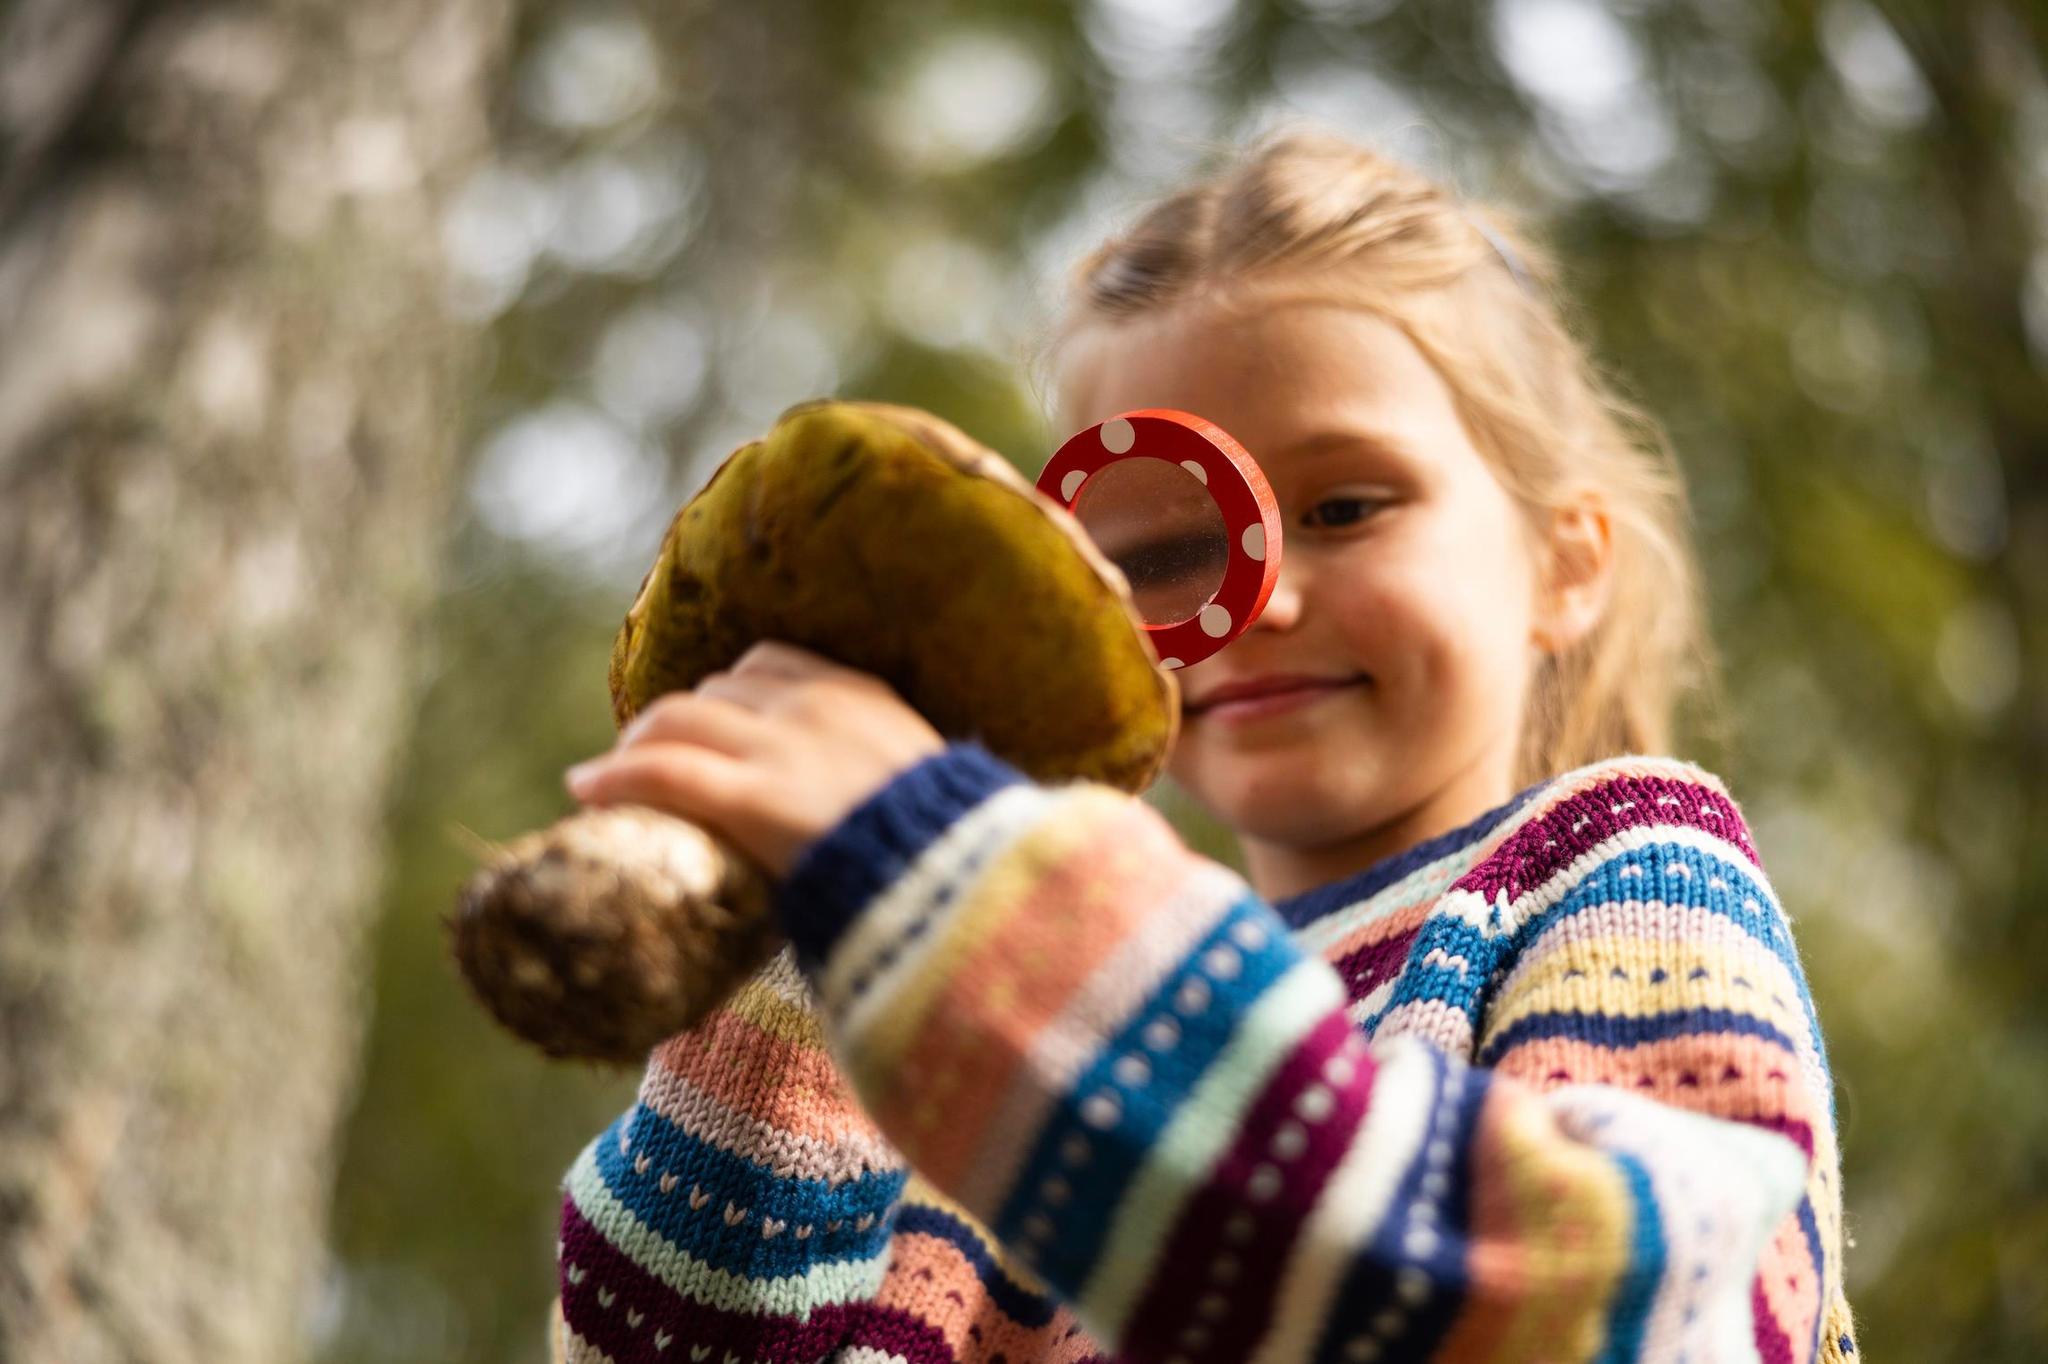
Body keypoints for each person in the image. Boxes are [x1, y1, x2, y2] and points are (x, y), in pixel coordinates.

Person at [548, 130, 1857, 1363]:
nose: (1262, 598)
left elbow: (1620, 1310)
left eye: (1345, 506)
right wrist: (802, 951)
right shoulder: (979, 1030)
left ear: (1563, 564)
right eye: (1164, 550)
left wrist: (958, 898)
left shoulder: (1620, 871)